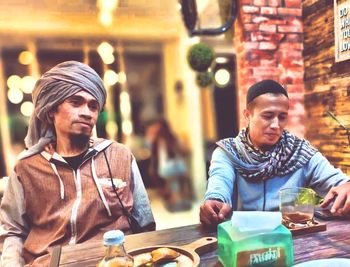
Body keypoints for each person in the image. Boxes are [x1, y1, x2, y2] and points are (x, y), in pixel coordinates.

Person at [0, 61, 155, 266]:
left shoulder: (119, 155)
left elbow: (145, 223)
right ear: (50, 112)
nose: (87, 112)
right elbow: (13, 232)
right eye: (76, 102)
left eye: (93, 106)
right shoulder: (26, 168)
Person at [200, 79, 350, 227]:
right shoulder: (228, 152)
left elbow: (337, 182)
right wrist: (214, 200)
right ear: (247, 115)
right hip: (242, 239)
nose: (275, 125)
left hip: (294, 240)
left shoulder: (300, 152)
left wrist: (347, 186)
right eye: (267, 116)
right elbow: (219, 183)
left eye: (282, 117)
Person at [146, 118, 192, 211]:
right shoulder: (173, 137)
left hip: (165, 169)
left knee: (171, 182)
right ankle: (177, 201)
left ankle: (175, 202)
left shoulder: (157, 139)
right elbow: (184, 150)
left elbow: (149, 149)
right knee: (174, 183)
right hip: (179, 167)